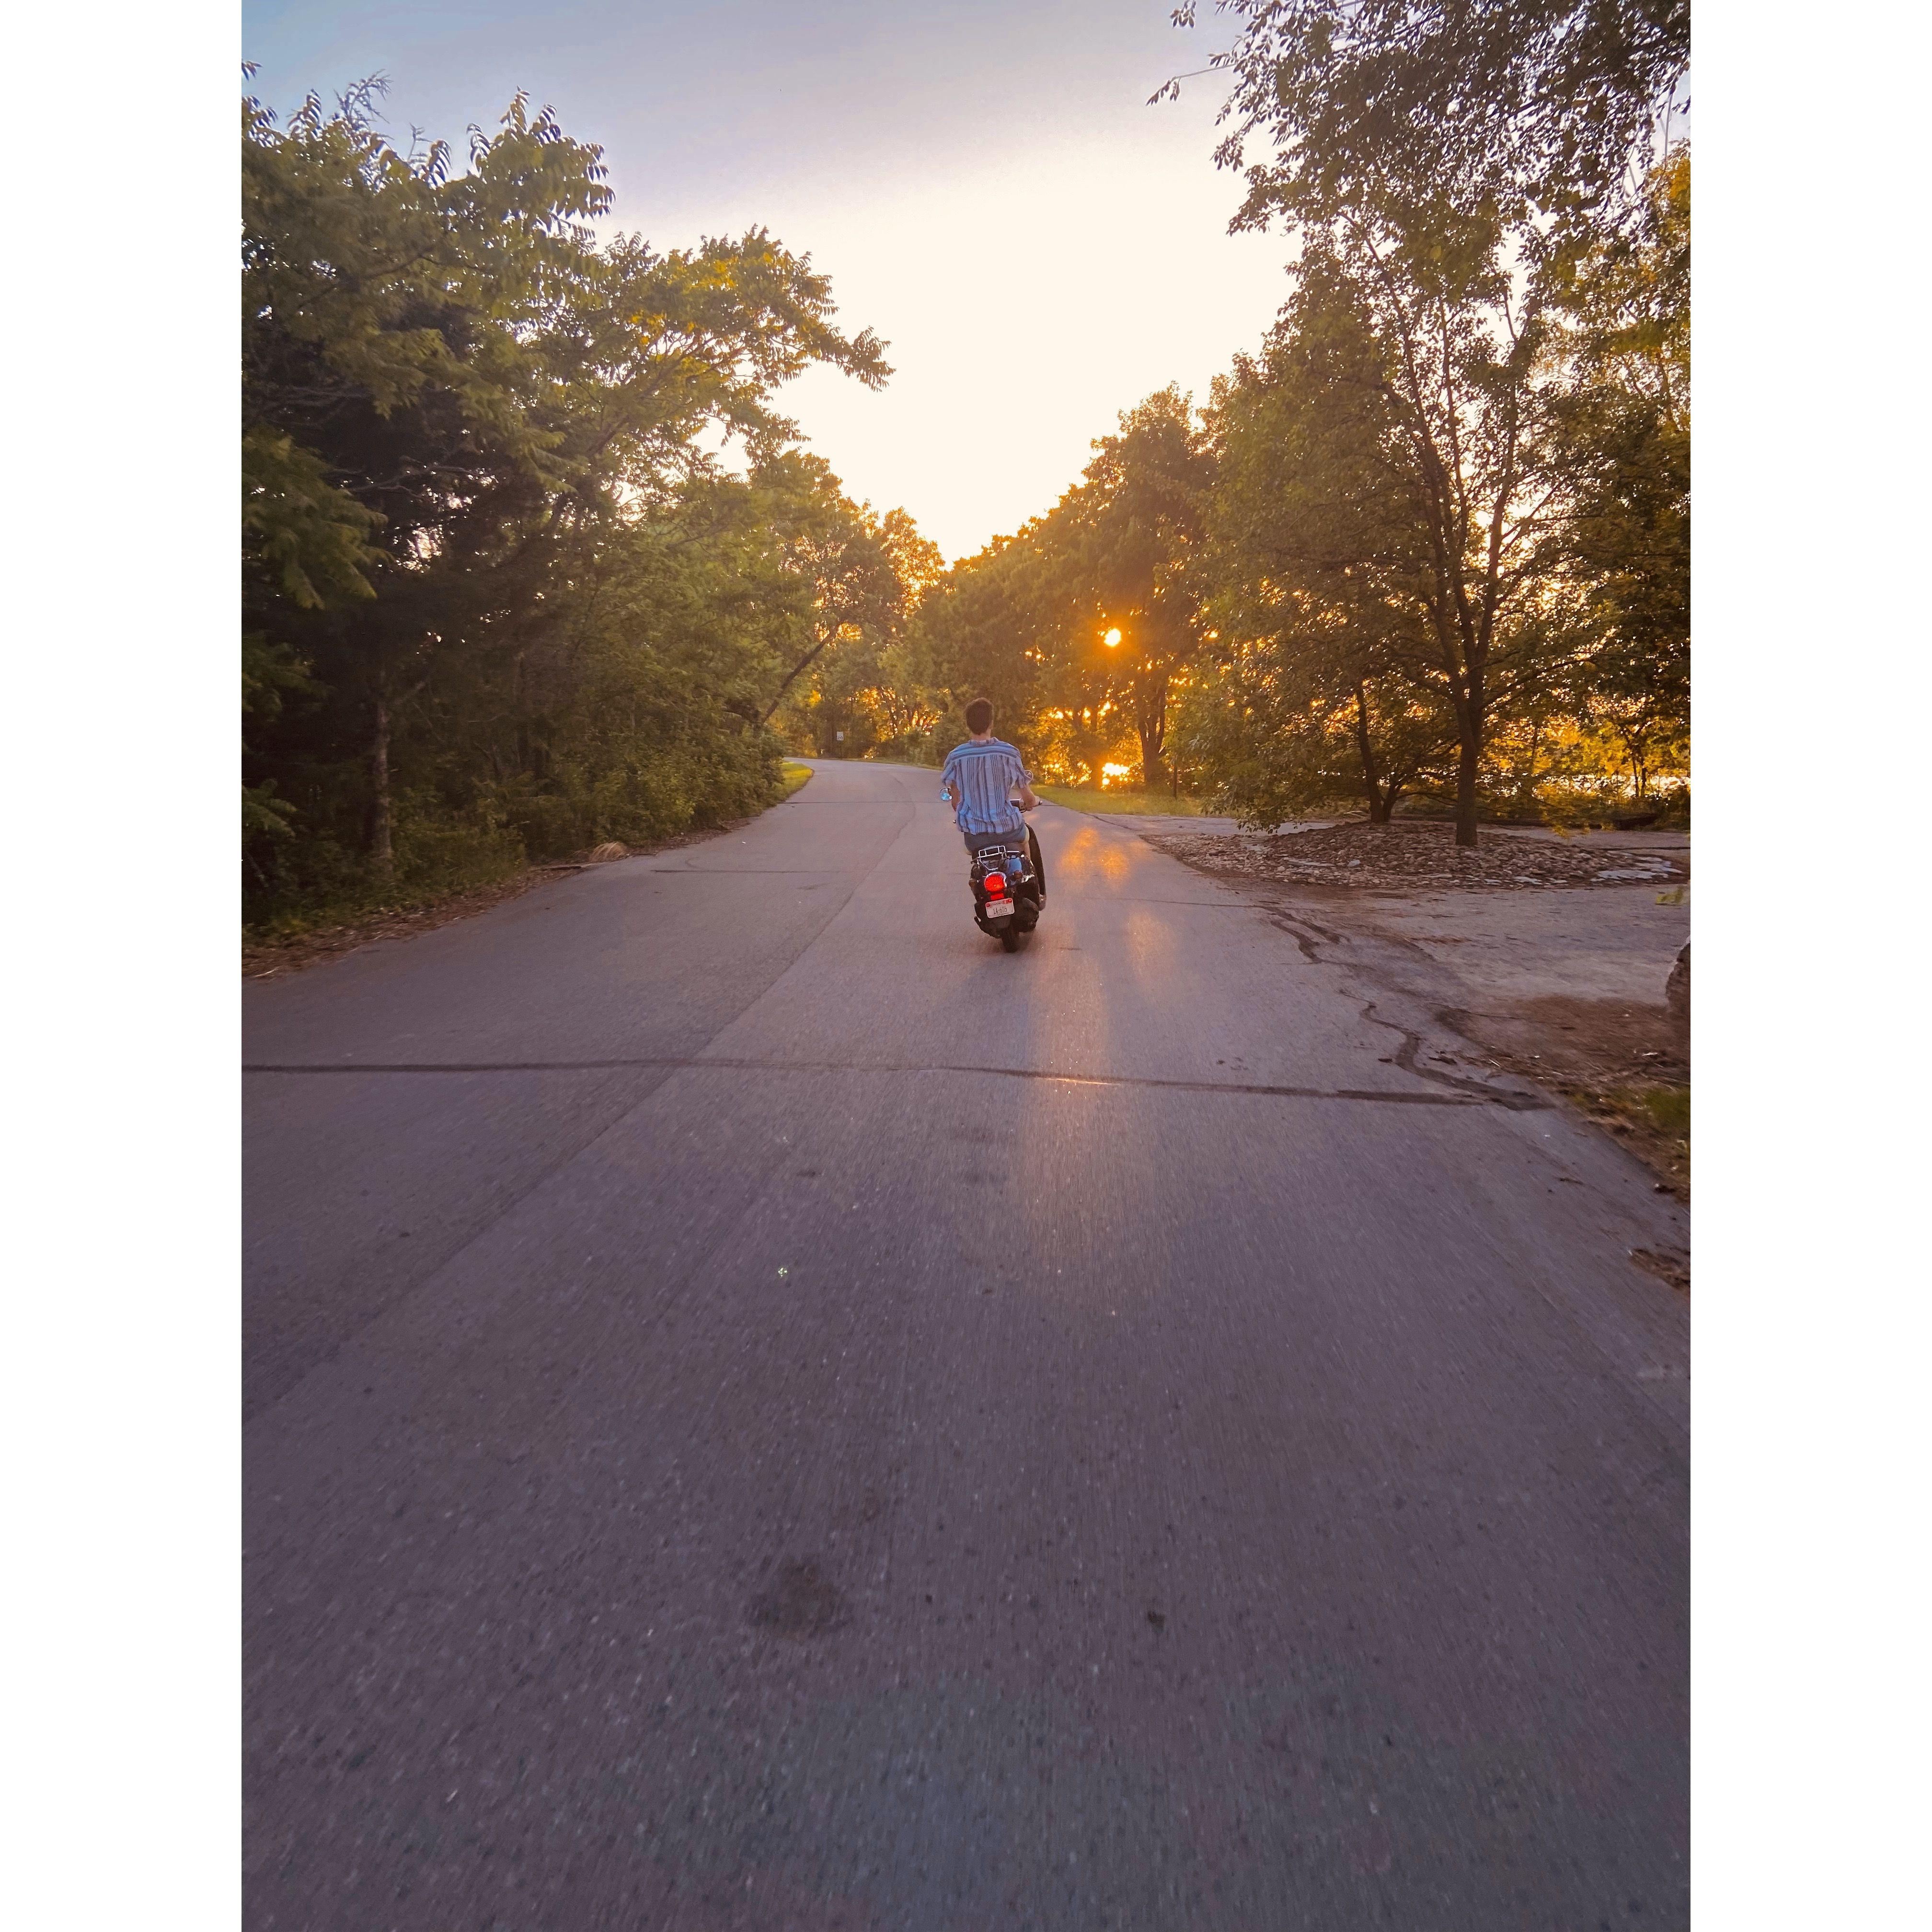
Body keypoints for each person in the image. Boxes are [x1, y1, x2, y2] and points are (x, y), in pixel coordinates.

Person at [940, 698, 1046, 902]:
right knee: (1026, 836)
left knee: (977, 857)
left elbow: (956, 802)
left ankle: (983, 887)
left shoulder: (956, 757)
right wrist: (1032, 802)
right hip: (1008, 828)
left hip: (975, 835)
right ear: (991, 723)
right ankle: (1033, 888)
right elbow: (1027, 796)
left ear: (968, 724)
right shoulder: (1009, 752)